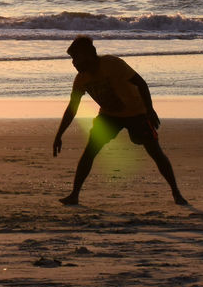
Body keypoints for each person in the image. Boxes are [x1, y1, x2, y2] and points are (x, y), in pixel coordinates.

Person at [52, 35, 187, 206]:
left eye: (77, 58)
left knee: (155, 152)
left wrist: (150, 110)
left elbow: (141, 83)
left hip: (137, 113)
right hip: (109, 117)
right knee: (90, 152)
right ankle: (74, 194)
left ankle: (176, 192)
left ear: (90, 54)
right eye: (72, 59)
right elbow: (72, 108)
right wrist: (59, 135)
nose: (74, 63)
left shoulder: (112, 64)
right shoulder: (81, 79)